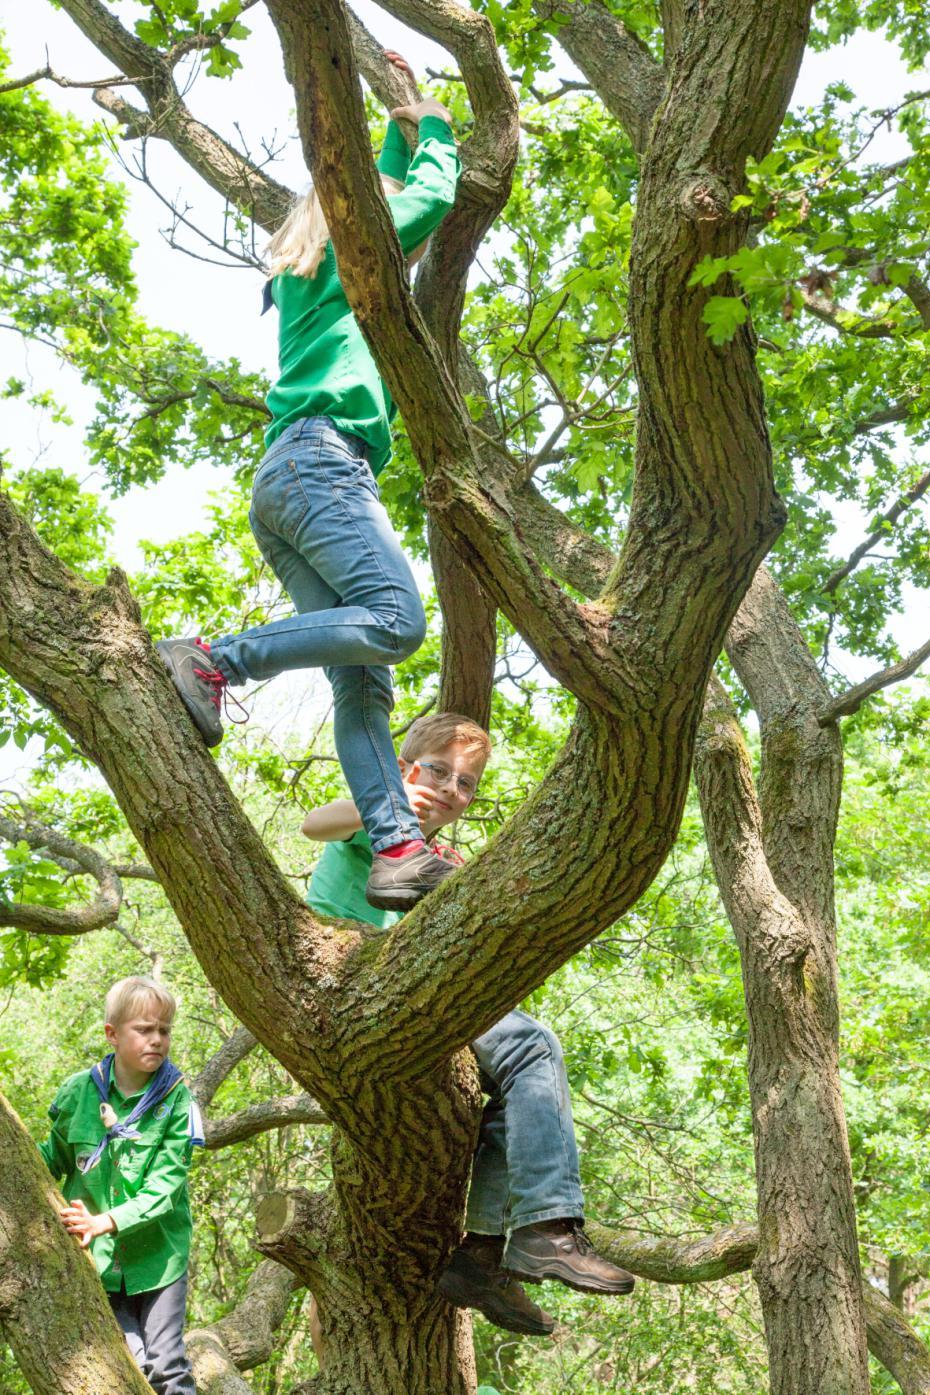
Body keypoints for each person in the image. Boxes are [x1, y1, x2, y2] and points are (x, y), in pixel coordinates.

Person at [158, 52, 460, 914]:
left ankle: (397, 846)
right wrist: (433, 124)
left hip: (291, 477)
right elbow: (429, 201)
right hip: (323, 465)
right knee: (398, 622)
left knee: (363, 682)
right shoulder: (341, 253)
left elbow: (381, 197)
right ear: (350, 214)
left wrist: (396, 134)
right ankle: (216, 660)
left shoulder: (317, 264)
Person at [302, 712, 636, 1338]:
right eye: (439, 773)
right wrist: (387, 800)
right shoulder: (383, 823)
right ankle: (544, 1226)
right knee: (531, 1046)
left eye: (466, 784)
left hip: (401, 992)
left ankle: (482, 1255)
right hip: (350, 978)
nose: (451, 791)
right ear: (403, 770)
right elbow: (313, 823)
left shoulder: (434, 856)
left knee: (516, 1089)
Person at [38, 976, 203, 1395]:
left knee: (167, 1367)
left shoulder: (176, 1100)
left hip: (159, 1258)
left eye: (164, 1030)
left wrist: (104, 1221)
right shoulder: (79, 1091)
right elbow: (50, 1160)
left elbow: (165, 1190)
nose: (157, 1040)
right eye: (144, 1030)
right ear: (112, 1034)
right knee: (125, 1360)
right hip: (98, 1260)